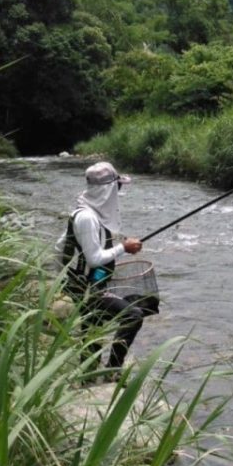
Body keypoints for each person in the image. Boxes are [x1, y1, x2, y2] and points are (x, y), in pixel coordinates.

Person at [57, 161, 145, 380]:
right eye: (118, 187)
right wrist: (123, 248)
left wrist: (69, 276)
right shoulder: (87, 217)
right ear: (107, 190)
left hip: (86, 285)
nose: (120, 191)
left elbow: (60, 247)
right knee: (133, 315)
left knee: (93, 332)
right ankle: (112, 370)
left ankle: (88, 376)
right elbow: (95, 258)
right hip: (88, 289)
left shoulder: (86, 212)